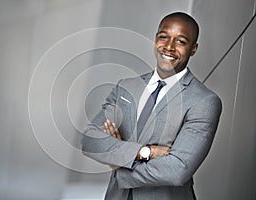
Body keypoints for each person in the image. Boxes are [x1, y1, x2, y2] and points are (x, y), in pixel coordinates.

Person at [81, 12, 222, 200]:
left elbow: (177, 170)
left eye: (180, 41)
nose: (169, 47)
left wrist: (118, 163)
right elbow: (90, 140)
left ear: (193, 49)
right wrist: (145, 152)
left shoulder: (204, 101)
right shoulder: (126, 87)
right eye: (163, 37)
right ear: (155, 39)